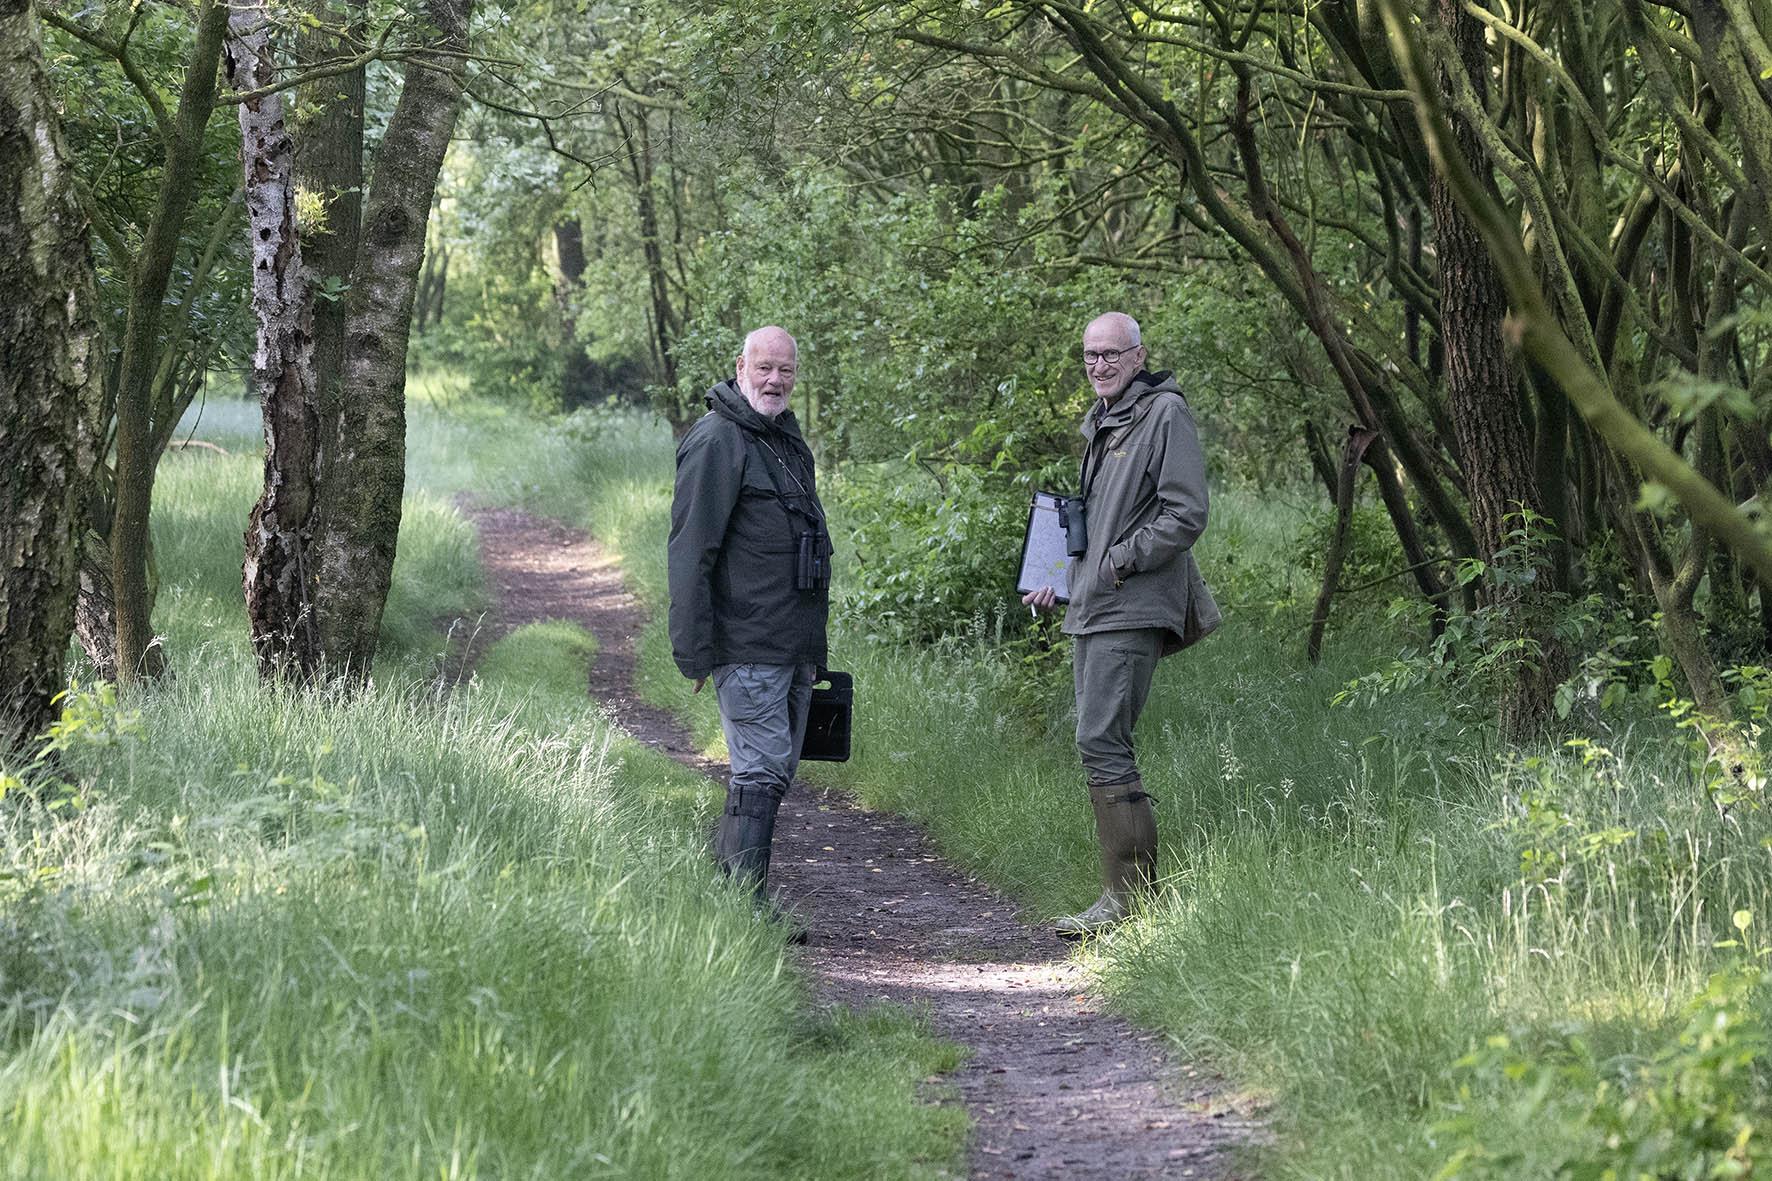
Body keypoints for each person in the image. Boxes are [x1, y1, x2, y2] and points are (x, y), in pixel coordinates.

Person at [1023, 312, 1220, 937]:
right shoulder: (1104, 421)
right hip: (1094, 604)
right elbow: (1100, 522)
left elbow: (1186, 513)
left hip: (1129, 604)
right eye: (1090, 356)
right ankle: (1126, 899)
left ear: (1138, 357)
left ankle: (1129, 903)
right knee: (1098, 741)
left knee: (1102, 740)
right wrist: (1066, 579)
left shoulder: (1163, 414)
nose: (1100, 366)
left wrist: (1117, 563)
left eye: (1111, 354)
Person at [668, 325, 831, 918]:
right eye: (764, 367)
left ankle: (728, 895)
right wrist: (694, 650)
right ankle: (746, 907)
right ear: (741, 367)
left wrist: (814, 652)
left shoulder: (785, 439)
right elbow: (691, 552)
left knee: (774, 772)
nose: (774, 380)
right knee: (760, 769)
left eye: (785, 370)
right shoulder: (716, 440)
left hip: (792, 644)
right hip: (746, 641)